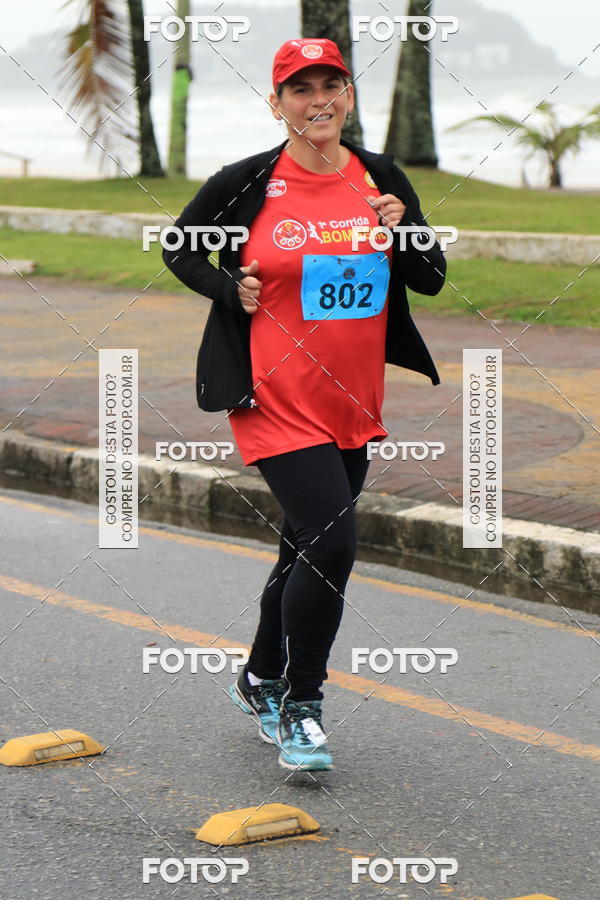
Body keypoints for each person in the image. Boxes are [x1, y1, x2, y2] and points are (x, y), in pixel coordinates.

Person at [162, 37, 447, 771]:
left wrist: (403, 228)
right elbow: (180, 246)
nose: (317, 99)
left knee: (303, 547)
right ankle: (302, 705)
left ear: (348, 95)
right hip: (275, 395)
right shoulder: (250, 181)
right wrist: (231, 288)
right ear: (278, 103)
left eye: (331, 85)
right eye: (300, 88)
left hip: (351, 398)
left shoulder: (381, 176)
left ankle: (259, 675)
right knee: (334, 543)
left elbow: (430, 277)